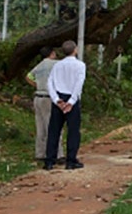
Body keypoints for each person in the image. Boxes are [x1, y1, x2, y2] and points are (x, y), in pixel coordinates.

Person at [44, 40, 86, 170]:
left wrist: (56, 99)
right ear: (75, 50)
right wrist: (72, 102)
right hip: (71, 98)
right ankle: (71, 160)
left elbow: (50, 83)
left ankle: (50, 160)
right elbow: (79, 84)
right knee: (73, 131)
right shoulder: (80, 65)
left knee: (54, 130)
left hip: (59, 98)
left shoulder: (57, 66)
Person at [26, 46, 64, 162]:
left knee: (40, 126)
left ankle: (40, 153)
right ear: (52, 53)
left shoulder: (40, 65)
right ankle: (58, 154)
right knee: (54, 125)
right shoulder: (56, 64)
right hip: (49, 98)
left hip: (38, 97)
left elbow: (28, 77)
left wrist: (37, 85)